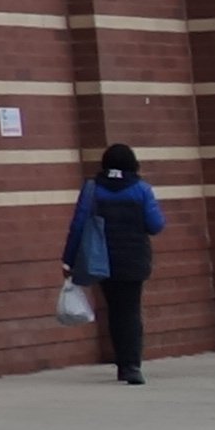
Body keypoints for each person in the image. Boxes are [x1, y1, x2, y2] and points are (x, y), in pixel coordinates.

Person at [64, 142, 169, 385]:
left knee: (114, 310)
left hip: (101, 260)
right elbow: (156, 225)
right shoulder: (141, 190)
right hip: (134, 259)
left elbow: (78, 226)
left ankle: (122, 363)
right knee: (130, 311)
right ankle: (132, 365)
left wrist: (68, 260)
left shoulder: (92, 189)